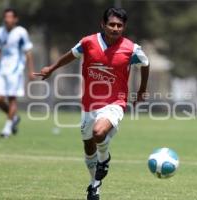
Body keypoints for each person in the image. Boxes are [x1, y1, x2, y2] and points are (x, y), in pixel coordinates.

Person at [34, 7, 149, 200]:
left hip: (115, 102)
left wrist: (141, 90)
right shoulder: (88, 43)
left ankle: (104, 159)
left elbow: (145, 65)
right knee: (88, 147)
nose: (115, 28)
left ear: (124, 27)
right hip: (89, 104)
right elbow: (71, 54)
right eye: (111, 24)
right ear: (103, 24)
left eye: (119, 25)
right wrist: (52, 68)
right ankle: (95, 185)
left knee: (98, 133)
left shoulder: (131, 49)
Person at [0, 8, 34, 138]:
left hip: (15, 71)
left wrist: (30, 71)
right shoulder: (0, 31)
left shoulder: (21, 32)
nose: (7, 19)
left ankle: (6, 129)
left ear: (15, 19)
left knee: (12, 99)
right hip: (1, 70)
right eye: (6, 17)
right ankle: (14, 117)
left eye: (10, 17)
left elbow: (28, 52)